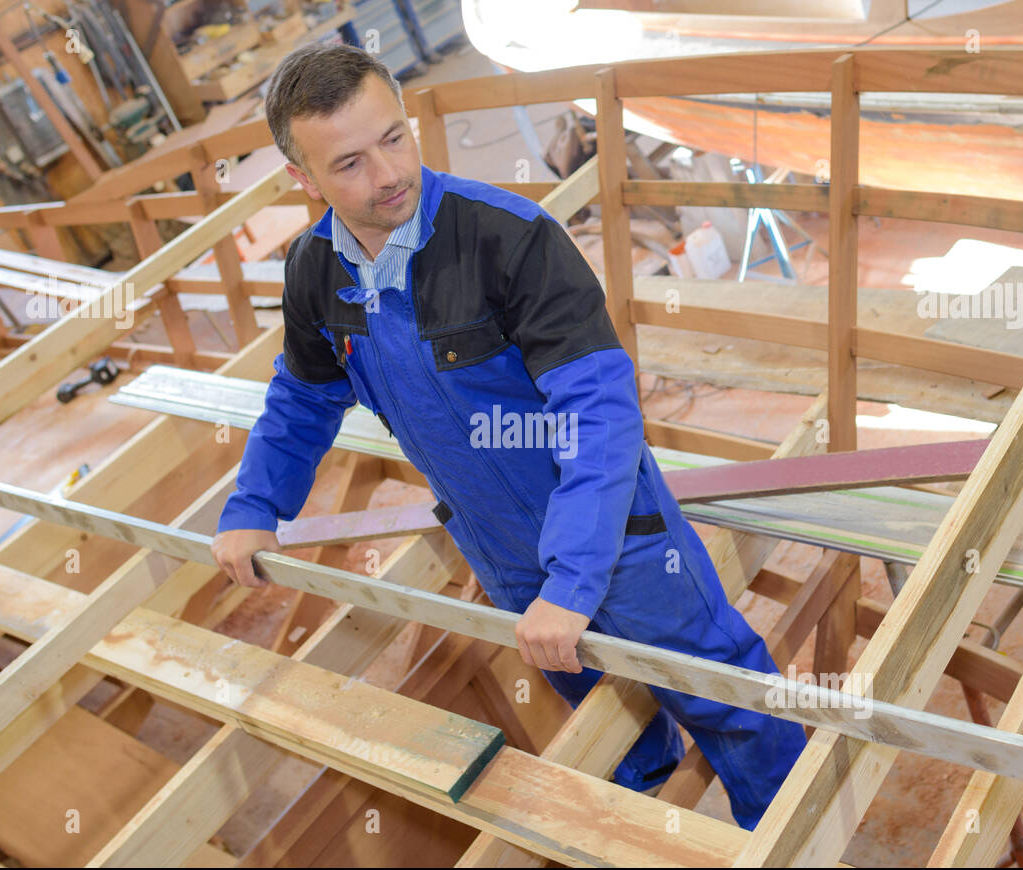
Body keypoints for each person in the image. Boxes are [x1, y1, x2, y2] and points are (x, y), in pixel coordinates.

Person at [211, 42, 805, 828]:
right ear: (302, 179)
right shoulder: (314, 273)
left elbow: (598, 411)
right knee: (594, 697)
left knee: (721, 690)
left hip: (613, 532)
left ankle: (790, 832)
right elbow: (302, 398)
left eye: (394, 138)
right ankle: (642, 807)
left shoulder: (509, 238)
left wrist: (574, 577)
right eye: (349, 162)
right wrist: (255, 502)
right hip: (497, 546)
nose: (388, 175)